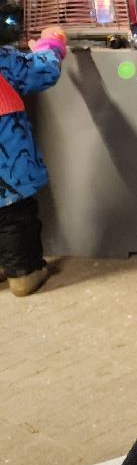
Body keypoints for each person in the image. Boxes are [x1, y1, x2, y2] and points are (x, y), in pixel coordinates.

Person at [0, 26, 68, 297]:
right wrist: (50, 44)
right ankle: (24, 273)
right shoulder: (4, 60)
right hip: (7, 165)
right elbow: (41, 72)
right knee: (15, 218)